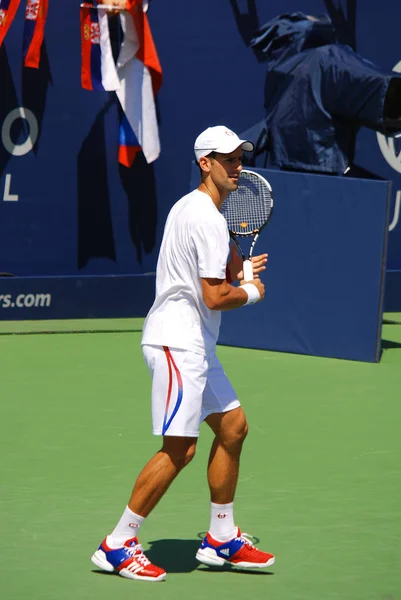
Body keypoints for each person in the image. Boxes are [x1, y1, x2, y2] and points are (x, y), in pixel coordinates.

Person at [91, 125, 275, 582]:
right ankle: (117, 543)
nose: (237, 167)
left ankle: (221, 537)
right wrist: (250, 290)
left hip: (193, 344)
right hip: (179, 344)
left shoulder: (193, 208)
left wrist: (242, 269)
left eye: (239, 158)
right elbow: (215, 296)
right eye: (227, 159)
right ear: (204, 163)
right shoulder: (209, 218)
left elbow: (223, 266)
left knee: (233, 427)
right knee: (181, 449)